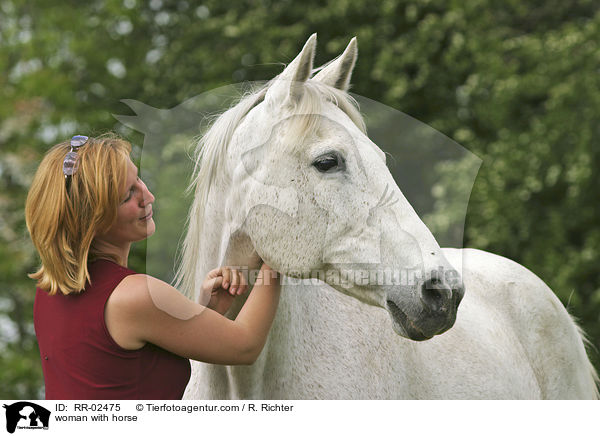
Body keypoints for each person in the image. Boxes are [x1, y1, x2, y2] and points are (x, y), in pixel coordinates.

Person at [25, 133, 281, 400]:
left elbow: (119, 371)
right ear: (93, 221)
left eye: (138, 179)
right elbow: (245, 346)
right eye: (127, 196)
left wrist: (208, 311)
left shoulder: (48, 289)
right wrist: (276, 254)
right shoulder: (136, 296)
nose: (148, 196)